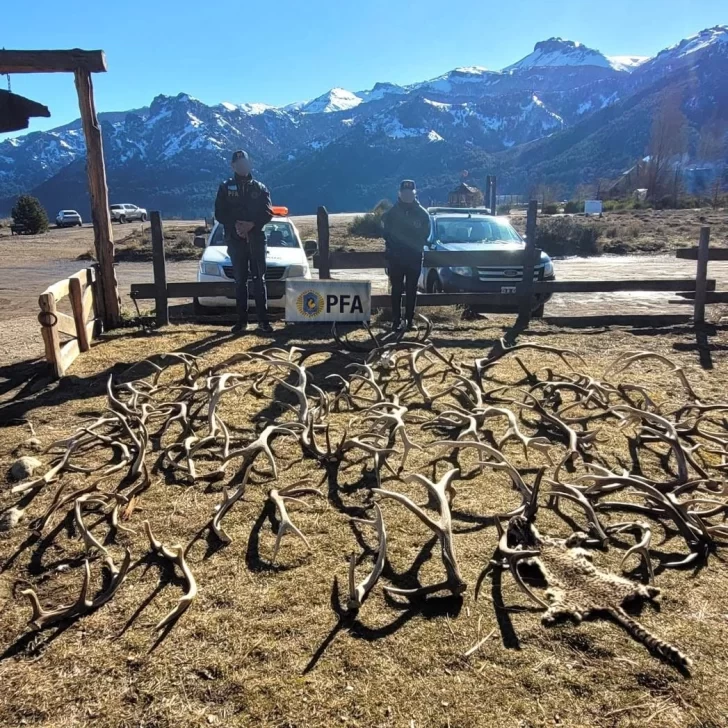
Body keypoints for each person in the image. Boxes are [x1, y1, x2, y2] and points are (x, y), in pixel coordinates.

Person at [214, 150, 274, 334]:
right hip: (235, 239)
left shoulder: (260, 187)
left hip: (256, 238)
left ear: (250, 164)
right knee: (240, 281)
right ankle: (242, 322)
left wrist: (252, 224)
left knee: (259, 279)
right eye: (238, 164)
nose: (242, 166)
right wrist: (237, 225)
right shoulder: (225, 187)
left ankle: (263, 322)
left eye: (245, 163)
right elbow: (219, 213)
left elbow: (268, 212)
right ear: (233, 166)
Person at [381, 180, 430, 329]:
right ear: (400, 194)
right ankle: (396, 320)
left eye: (410, 193)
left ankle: (409, 320)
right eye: (405, 193)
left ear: (415, 193)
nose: (407, 195)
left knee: (411, 289)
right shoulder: (391, 214)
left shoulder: (422, 214)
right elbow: (385, 234)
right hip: (396, 258)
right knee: (396, 289)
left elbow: (426, 234)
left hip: (414, 258)